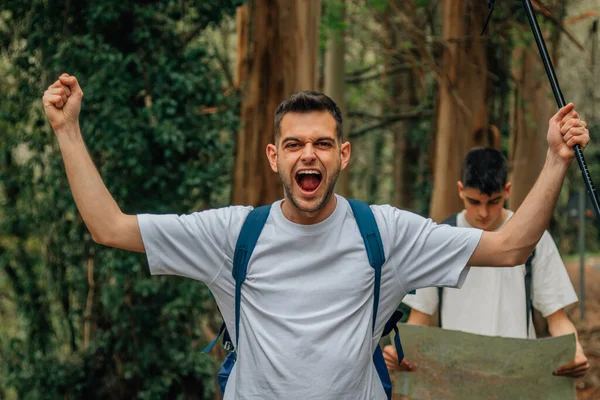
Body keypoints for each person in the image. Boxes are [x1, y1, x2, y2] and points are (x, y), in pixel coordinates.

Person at [42, 73, 589, 400]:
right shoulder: (232, 234)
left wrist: (555, 160)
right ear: (274, 156)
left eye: (323, 143)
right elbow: (109, 228)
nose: (310, 154)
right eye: (296, 143)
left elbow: (510, 246)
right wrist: (68, 130)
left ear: (342, 156)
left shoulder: (386, 233)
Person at [382, 147, 590, 379]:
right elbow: (418, 321)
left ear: (507, 191)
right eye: (474, 201)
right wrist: (401, 352)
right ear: (460, 191)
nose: (483, 212)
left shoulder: (533, 238)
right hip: (456, 378)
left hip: (516, 376)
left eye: (493, 202)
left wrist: (575, 351)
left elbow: (557, 318)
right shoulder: (440, 238)